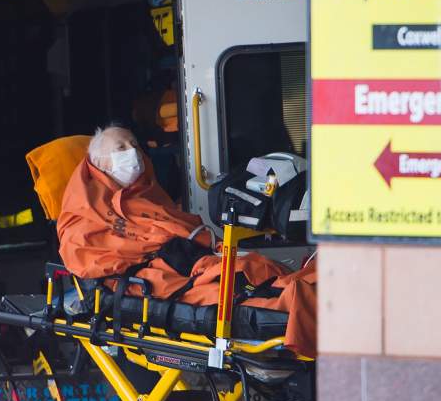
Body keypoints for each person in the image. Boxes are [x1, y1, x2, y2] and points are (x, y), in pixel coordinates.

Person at [57, 124, 316, 358]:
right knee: (247, 290)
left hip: (194, 265)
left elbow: (183, 234)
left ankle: (306, 288)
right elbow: (90, 257)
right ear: (99, 163)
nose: (132, 153)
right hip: (161, 282)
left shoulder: (149, 199)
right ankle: (301, 299)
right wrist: (164, 250)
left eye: (135, 145)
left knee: (256, 268)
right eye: (121, 147)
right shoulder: (82, 217)